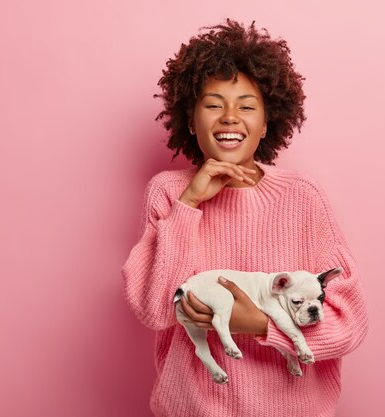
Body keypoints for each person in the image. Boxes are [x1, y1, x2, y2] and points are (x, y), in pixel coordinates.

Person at [121, 19, 368, 417]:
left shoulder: (303, 197)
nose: (230, 116)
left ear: (267, 122)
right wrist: (190, 203)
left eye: (247, 106)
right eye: (213, 104)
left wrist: (259, 324)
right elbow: (155, 309)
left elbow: (349, 320)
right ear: (189, 120)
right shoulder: (168, 193)